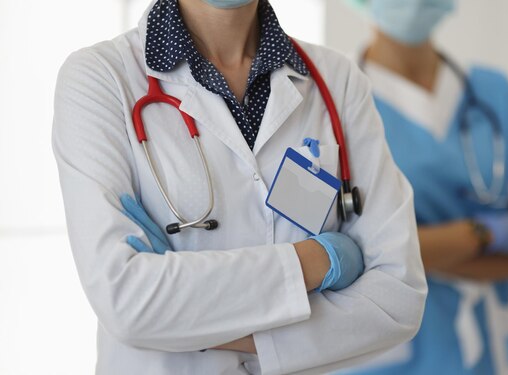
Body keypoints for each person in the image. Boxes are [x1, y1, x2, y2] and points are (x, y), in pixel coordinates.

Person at [52, 0, 428, 374]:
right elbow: (128, 302)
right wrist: (318, 260)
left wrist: (189, 324)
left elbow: (398, 299)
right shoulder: (100, 78)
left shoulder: (337, 80)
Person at [339, 0, 508, 374]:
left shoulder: (493, 90)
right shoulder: (335, 96)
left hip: (483, 352)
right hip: (386, 356)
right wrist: (495, 232)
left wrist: (415, 250)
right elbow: (346, 257)